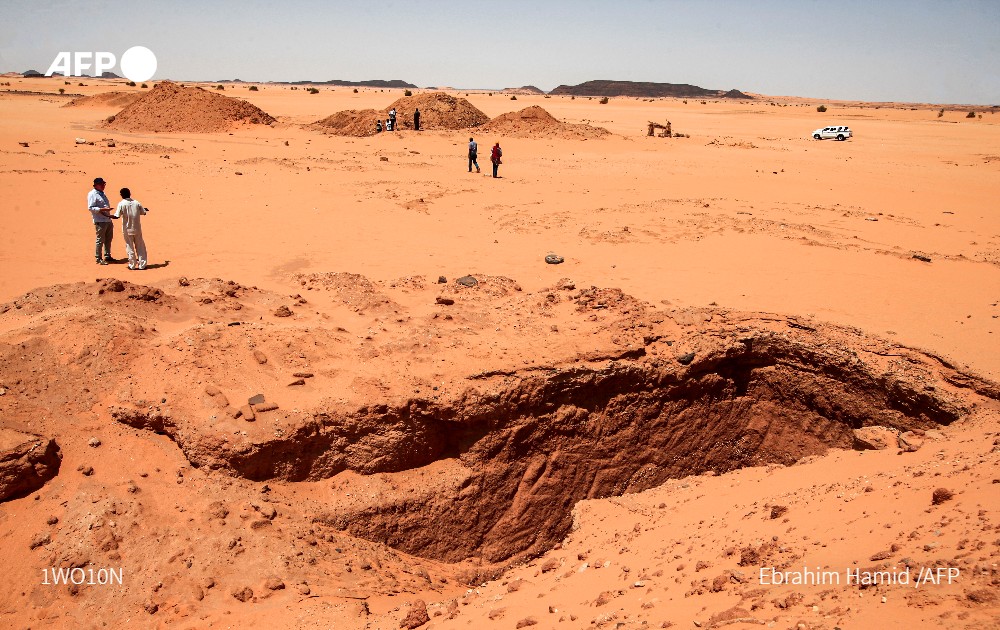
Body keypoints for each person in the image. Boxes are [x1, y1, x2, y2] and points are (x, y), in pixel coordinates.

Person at [113, 187, 149, 270]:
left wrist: (107, 215)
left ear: (121, 195)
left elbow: (116, 216)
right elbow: (143, 212)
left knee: (130, 246)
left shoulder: (121, 204)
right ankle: (142, 265)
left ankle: (132, 265)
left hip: (127, 229)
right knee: (140, 246)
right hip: (137, 229)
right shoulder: (136, 203)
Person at [88, 177, 114, 264]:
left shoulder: (102, 193)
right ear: (96, 185)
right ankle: (98, 258)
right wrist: (101, 210)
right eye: (101, 184)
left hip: (107, 219)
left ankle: (107, 255)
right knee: (100, 240)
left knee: (108, 239)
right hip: (100, 220)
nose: (103, 186)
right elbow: (91, 208)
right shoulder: (92, 194)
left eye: (104, 184)